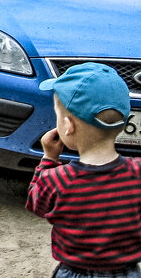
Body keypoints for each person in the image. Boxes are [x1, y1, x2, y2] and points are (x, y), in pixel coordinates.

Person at [27, 63, 141, 278]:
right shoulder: (137, 172)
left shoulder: (57, 179)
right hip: (128, 273)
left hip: (74, 273)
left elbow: (37, 205)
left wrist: (49, 159)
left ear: (68, 126)